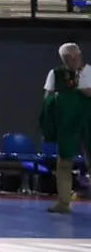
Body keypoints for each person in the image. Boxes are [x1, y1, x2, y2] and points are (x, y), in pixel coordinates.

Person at [42, 43, 91, 214]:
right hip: (67, 122)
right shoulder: (55, 74)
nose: (72, 60)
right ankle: (63, 202)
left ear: (79, 55)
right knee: (64, 161)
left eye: (74, 56)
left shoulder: (89, 71)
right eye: (68, 58)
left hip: (88, 120)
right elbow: (47, 97)